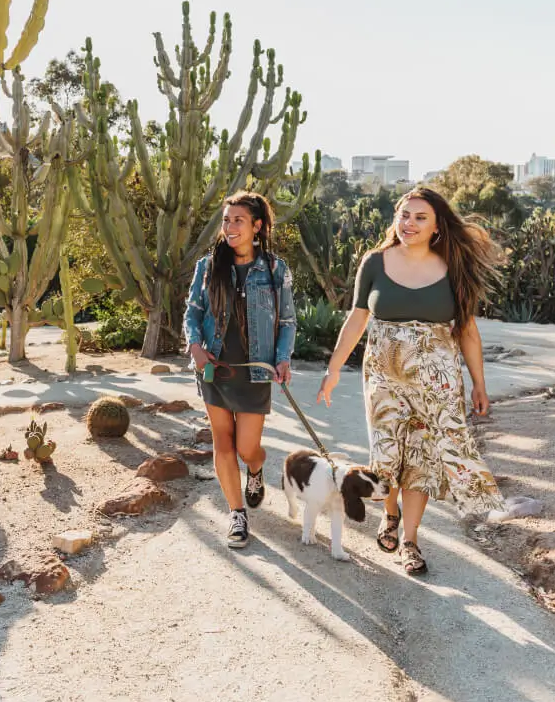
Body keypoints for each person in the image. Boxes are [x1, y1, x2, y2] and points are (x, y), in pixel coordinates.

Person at [317, 188, 505, 575]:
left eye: (420, 217)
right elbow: (356, 320)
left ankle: (411, 541)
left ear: (437, 226)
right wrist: (333, 369)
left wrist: (479, 384)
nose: (409, 224)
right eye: (404, 215)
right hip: (384, 377)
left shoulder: (453, 267)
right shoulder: (375, 262)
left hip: (438, 381)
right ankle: (390, 514)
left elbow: (467, 331)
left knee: (422, 457)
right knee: (387, 456)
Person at [184, 191, 297, 550]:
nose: (230, 227)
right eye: (226, 220)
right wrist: (196, 347)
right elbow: (193, 313)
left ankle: (256, 469)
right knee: (223, 442)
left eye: (238, 220)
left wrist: (282, 358)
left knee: (248, 448)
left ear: (257, 226)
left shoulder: (276, 269)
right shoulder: (208, 266)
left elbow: (288, 321)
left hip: (256, 370)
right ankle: (236, 514)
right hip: (215, 367)